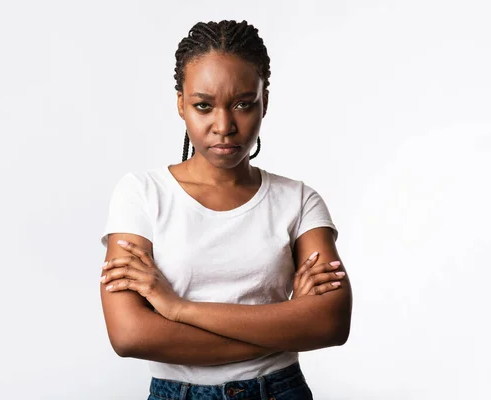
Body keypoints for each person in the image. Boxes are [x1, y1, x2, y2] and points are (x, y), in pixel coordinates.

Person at [99, 20, 353, 400]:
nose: (224, 126)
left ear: (264, 101)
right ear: (181, 104)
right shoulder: (142, 195)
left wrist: (178, 308)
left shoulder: (298, 200)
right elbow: (130, 335)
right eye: (204, 105)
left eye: (243, 104)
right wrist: (285, 325)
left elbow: (331, 323)